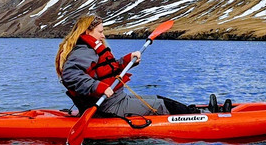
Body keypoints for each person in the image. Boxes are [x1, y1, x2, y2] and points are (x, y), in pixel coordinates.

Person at [55, 14, 203, 118]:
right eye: (100, 32)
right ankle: (198, 117)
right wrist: (99, 87)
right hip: (108, 106)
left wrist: (127, 60)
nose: (103, 35)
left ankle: (195, 112)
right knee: (161, 105)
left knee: (158, 98)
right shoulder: (84, 51)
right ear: (87, 32)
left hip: (115, 101)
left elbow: (106, 69)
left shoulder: (89, 50)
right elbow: (71, 75)